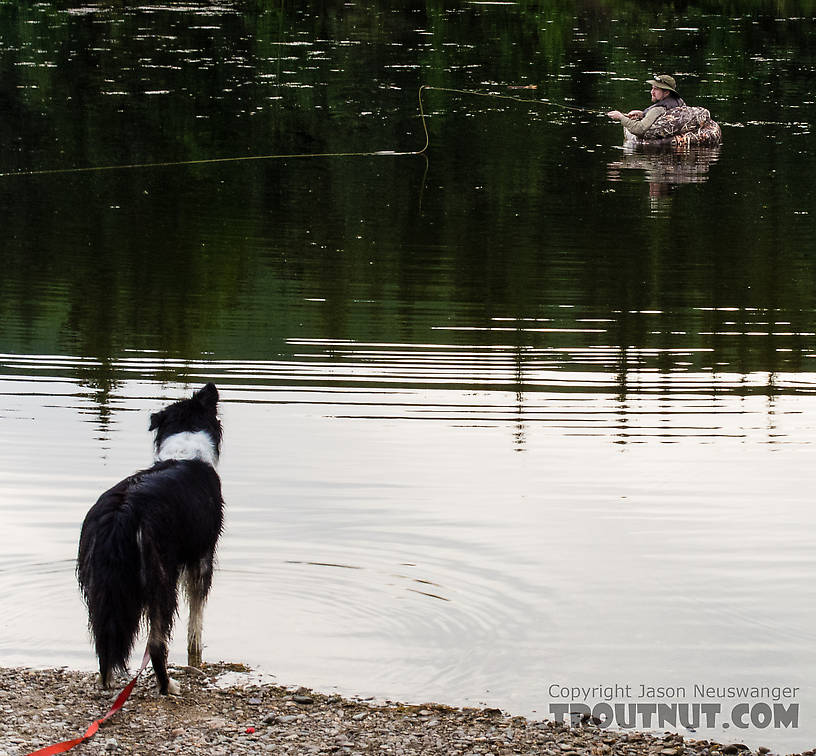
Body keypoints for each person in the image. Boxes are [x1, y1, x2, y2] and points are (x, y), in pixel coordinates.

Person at [606, 74, 686, 137]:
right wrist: (642, 114)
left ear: (666, 93)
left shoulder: (658, 109)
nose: (652, 92)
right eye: (652, 88)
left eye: (656, 89)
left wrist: (620, 117)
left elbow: (639, 129)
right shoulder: (679, 102)